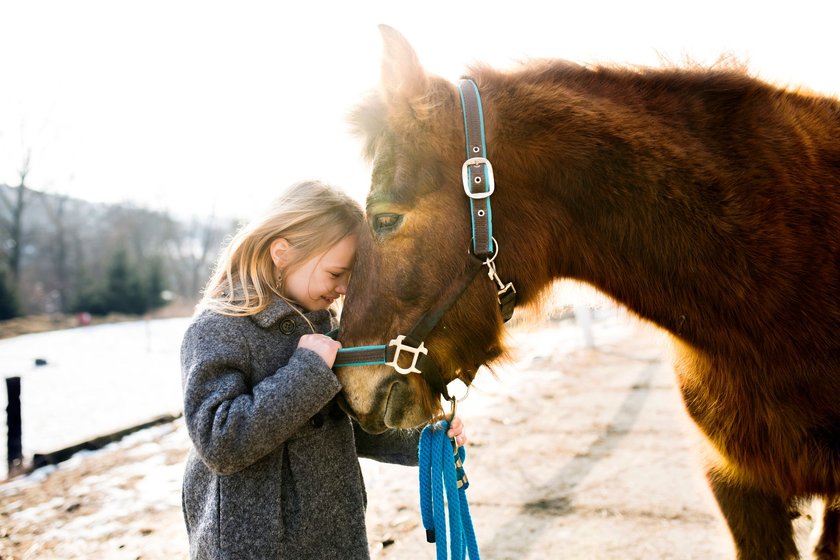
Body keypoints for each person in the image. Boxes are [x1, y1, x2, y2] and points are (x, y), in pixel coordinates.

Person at [180, 180, 466, 560]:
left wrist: (425, 438)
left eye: (353, 276)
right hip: (253, 547)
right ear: (281, 252)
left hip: (336, 537)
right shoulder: (218, 327)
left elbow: (346, 425)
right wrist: (307, 371)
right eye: (336, 273)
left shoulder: (323, 327)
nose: (345, 288)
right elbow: (219, 443)